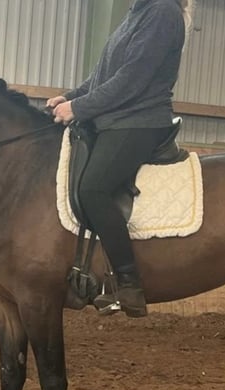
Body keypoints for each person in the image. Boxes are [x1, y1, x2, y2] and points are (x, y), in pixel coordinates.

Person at [47, 0, 192, 318]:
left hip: (141, 121)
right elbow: (103, 75)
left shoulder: (163, 12)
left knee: (93, 188)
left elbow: (131, 79)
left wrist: (79, 109)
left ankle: (129, 283)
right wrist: (71, 97)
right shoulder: (137, 12)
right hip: (118, 119)